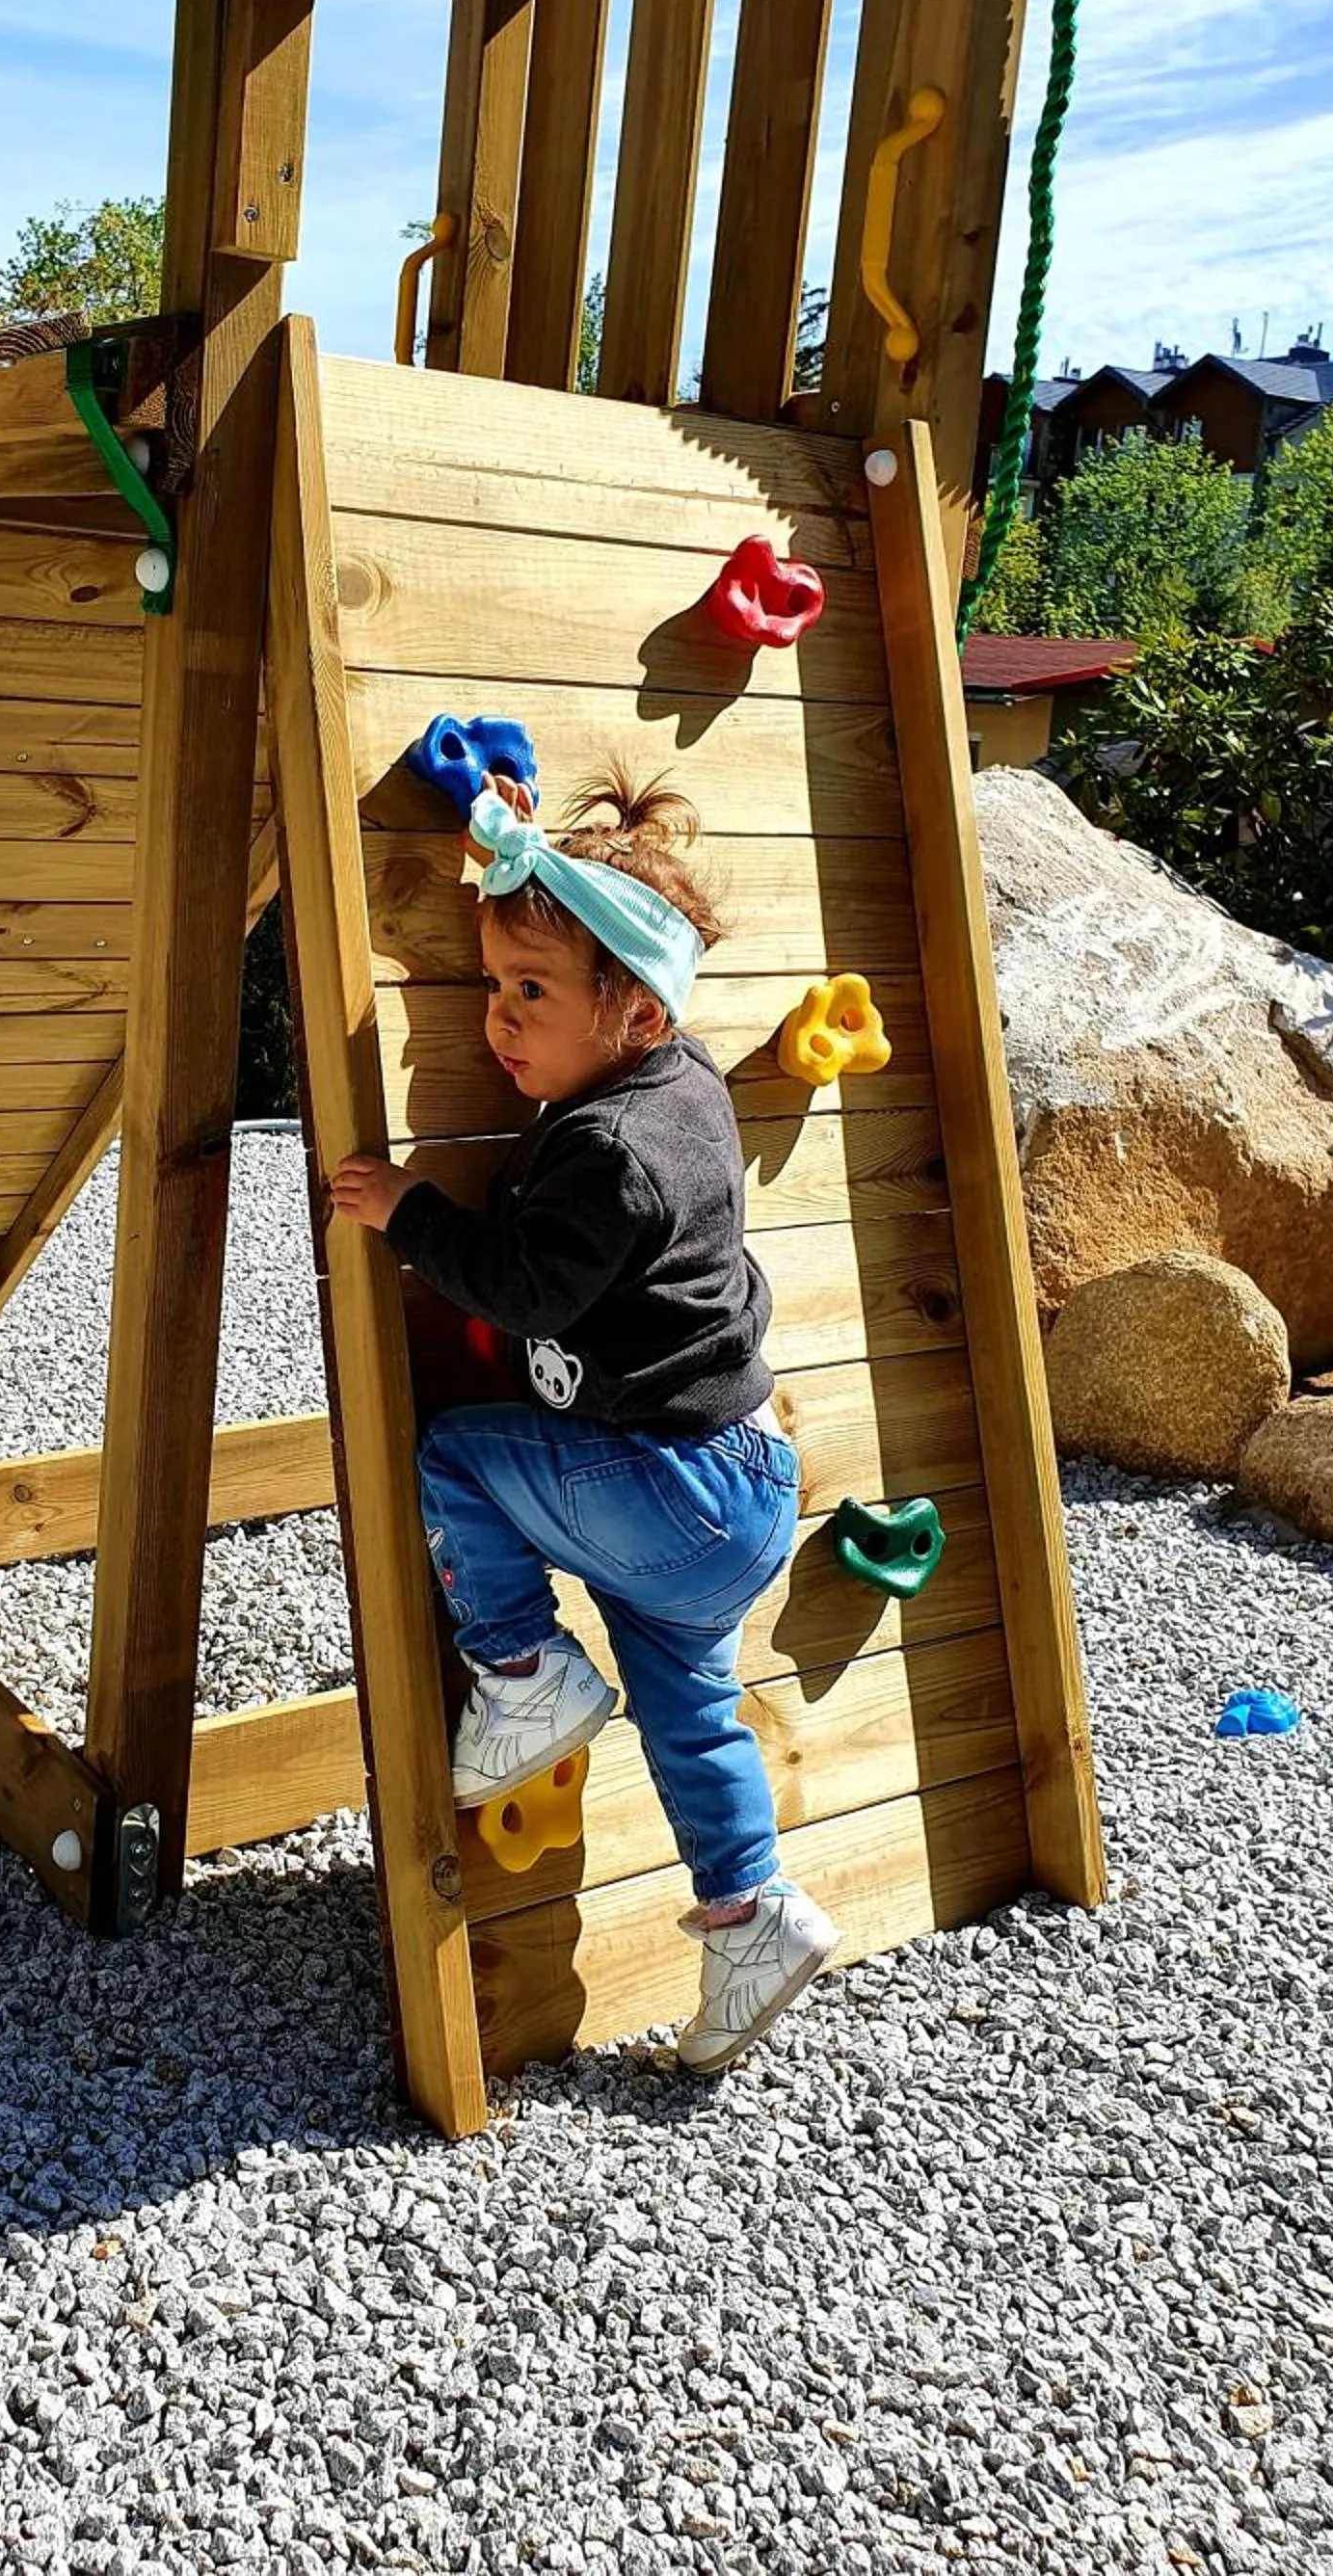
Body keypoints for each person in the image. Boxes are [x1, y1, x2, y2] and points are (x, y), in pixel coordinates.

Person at [331, 768, 840, 2073]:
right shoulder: (676, 1089)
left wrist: (411, 1213)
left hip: (670, 1484)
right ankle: (750, 1917)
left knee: (451, 1454)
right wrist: (511, 850)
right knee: (691, 1708)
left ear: (637, 1008)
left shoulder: (608, 1152)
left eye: (531, 994)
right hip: (739, 1483)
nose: (498, 1019)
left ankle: (520, 1668)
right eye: (493, 986)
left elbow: (522, 1282)